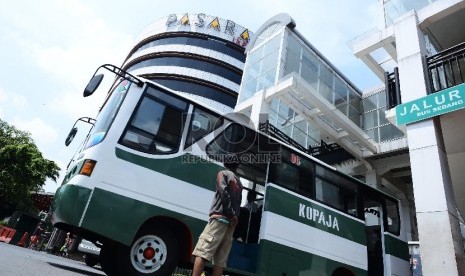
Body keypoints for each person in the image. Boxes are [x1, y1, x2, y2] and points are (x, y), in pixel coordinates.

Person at [192, 157, 243, 276]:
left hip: (220, 219)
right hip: (231, 225)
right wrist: (234, 218)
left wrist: (229, 214)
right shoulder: (239, 182)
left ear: (225, 163)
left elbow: (223, 192)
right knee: (220, 261)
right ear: (237, 166)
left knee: (203, 252)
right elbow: (239, 203)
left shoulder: (223, 173)